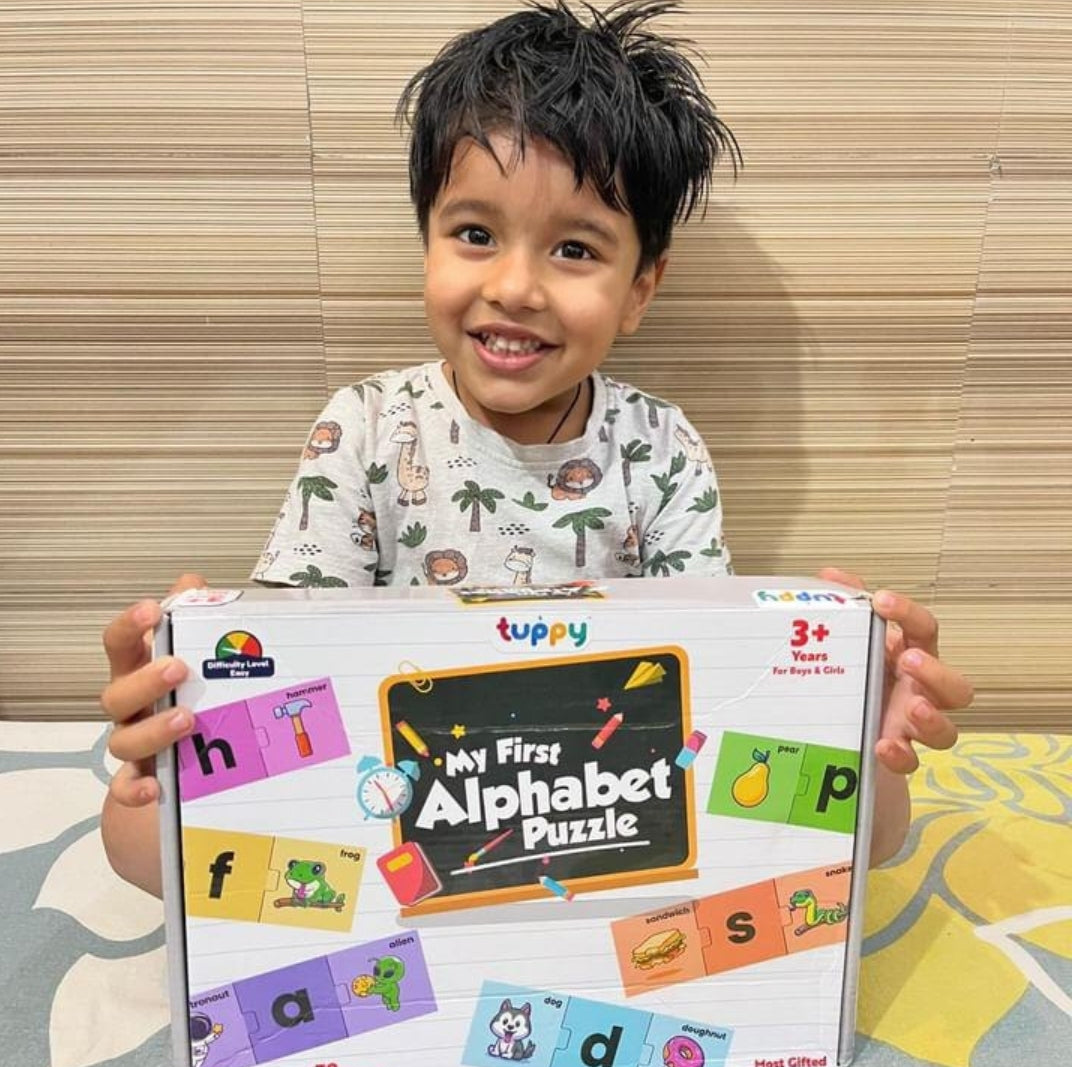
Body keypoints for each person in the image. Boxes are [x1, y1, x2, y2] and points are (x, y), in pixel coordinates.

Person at [100, 0, 972, 898]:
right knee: (131, 824)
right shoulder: (364, 427)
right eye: (474, 234)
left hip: (600, 817)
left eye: (574, 248)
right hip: (398, 816)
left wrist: (858, 716)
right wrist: (189, 711)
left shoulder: (660, 449)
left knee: (872, 822)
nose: (514, 288)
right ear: (426, 243)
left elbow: (705, 709)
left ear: (640, 290)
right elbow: (284, 687)